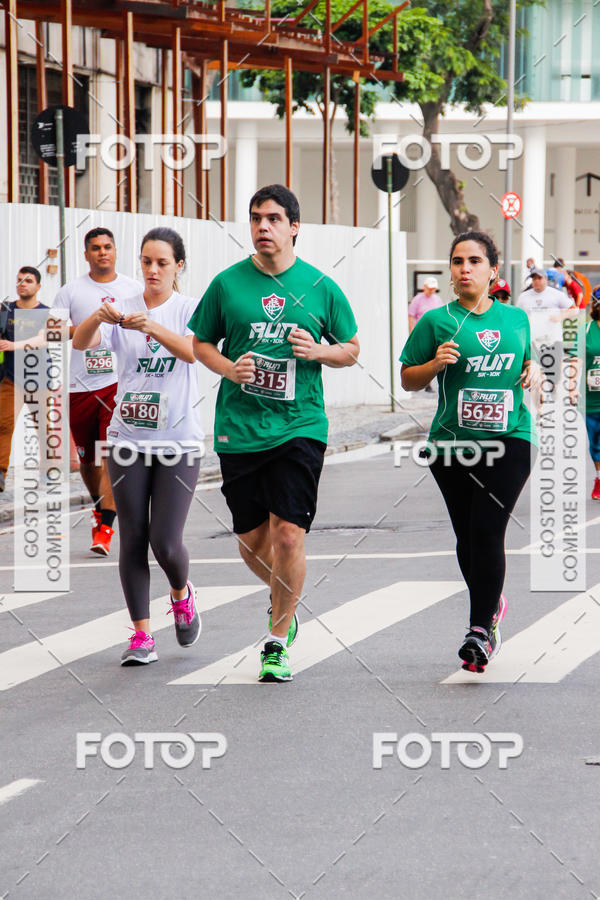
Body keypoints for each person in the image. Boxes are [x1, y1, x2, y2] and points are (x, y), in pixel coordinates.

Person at [189, 184, 360, 683]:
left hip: (300, 424)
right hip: (240, 428)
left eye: (272, 219)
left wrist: (318, 351)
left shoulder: (319, 286)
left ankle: (277, 637)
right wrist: (229, 369)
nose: (263, 226)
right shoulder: (227, 285)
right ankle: (287, 598)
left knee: (288, 532)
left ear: (293, 227)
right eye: (255, 218)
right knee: (250, 541)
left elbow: (350, 347)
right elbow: (201, 343)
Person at [400, 232, 538, 673]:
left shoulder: (516, 319)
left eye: (475, 261)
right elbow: (408, 379)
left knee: (486, 530)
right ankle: (492, 603)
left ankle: (479, 630)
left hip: (510, 438)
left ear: (492, 271)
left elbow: (527, 360)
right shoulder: (436, 322)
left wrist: (533, 369)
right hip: (450, 444)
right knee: (467, 538)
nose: (464, 268)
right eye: (457, 261)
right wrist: (434, 363)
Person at [73, 227, 203, 665]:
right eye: (146, 261)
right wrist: (97, 318)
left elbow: (193, 353)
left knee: (165, 542)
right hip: (126, 438)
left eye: (162, 262)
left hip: (179, 441)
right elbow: (82, 344)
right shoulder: (122, 308)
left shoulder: (189, 308)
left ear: (178, 266)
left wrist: (151, 325)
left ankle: (182, 594)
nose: (152, 270)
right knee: (133, 537)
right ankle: (142, 635)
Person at [53, 228, 140, 555]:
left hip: (118, 384)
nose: (102, 252)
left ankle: (104, 527)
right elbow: (53, 331)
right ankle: (99, 506)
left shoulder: (132, 288)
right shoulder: (71, 291)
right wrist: (89, 325)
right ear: (86, 254)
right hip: (80, 386)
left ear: (115, 251)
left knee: (110, 454)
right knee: (89, 461)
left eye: (107, 247)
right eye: (95, 248)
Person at [0, 267, 49, 492]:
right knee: (3, 424)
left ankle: (48, 471)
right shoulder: (6, 310)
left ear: (38, 286)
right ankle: (0, 473)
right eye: (19, 280)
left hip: (40, 381)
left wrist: (13, 346)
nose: (22, 284)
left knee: (45, 428)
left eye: (28, 280)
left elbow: (43, 340)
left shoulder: (47, 312)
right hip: (11, 378)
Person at [566, 286, 600, 500]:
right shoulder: (586, 330)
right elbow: (576, 360)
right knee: (596, 442)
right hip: (591, 398)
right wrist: (571, 386)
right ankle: (599, 478)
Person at [516, 268, 575, 387]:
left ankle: (552, 390)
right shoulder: (524, 297)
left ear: (546, 279)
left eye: (539, 278)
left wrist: (560, 316)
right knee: (537, 369)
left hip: (553, 339)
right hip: (533, 340)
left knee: (554, 373)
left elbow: (574, 310)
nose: (536, 281)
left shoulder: (556, 294)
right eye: (534, 278)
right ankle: (539, 396)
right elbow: (518, 317)